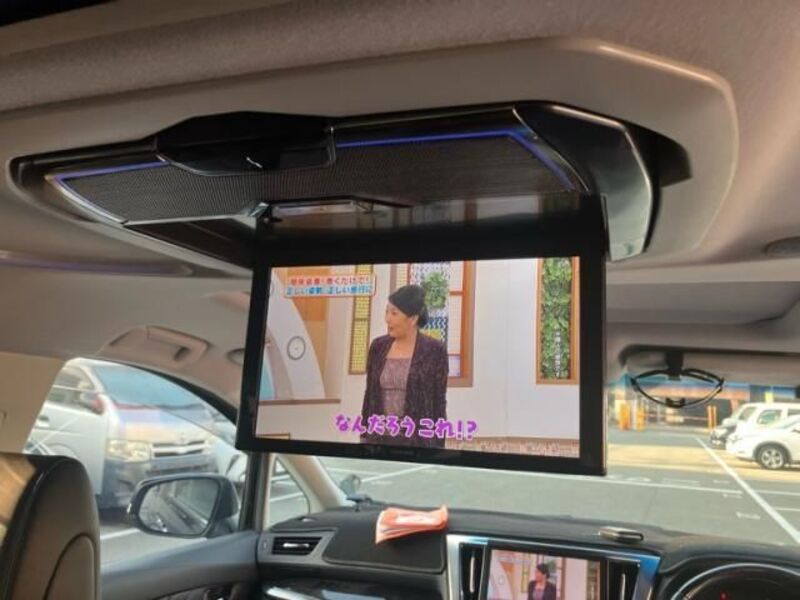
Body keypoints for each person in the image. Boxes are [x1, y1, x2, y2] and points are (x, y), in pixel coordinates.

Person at [360, 284, 448, 448]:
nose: (388, 319)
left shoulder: (435, 350)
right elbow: (369, 395)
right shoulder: (378, 347)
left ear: (413, 319)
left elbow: (439, 401)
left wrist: (438, 447)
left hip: (418, 442)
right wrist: (364, 436)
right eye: (387, 312)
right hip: (379, 440)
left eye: (394, 313)